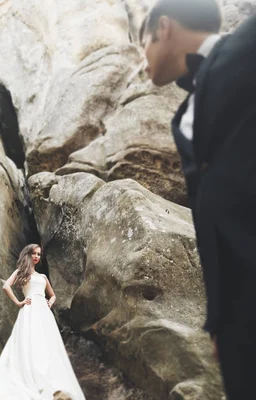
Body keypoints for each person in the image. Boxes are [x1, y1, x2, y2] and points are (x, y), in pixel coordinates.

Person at [140, 1, 256, 398]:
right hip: (240, 315)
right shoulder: (182, 115)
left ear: (165, 28)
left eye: (144, 46)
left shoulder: (248, 42)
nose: (144, 62)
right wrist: (221, 320)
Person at [0, 244, 85, 400]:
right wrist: (18, 302)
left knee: (45, 342)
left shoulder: (43, 277)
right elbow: (6, 286)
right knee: (29, 341)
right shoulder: (21, 272)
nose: (36, 256)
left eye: (39, 254)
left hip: (44, 312)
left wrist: (49, 303)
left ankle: (48, 376)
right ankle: (31, 376)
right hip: (29, 309)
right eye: (33, 253)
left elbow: (52, 295)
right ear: (27, 255)